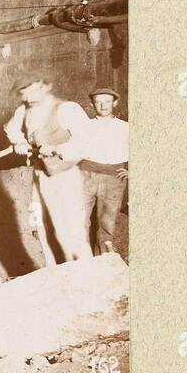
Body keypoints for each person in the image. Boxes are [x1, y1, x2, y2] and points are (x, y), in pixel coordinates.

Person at [3, 78, 92, 265]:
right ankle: (57, 275)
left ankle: (85, 274)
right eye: (24, 93)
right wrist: (19, 141)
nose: (29, 97)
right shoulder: (23, 110)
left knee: (71, 229)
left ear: (46, 87)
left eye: (33, 91)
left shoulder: (66, 108)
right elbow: (11, 128)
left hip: (65, 175)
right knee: (44, 227)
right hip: (41, 173)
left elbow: (86, 141)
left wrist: (57, 149)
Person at [79, 87, 129, 255]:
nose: (103, 105)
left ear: (115, 103)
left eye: (107, 101)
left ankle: (103, 262)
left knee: (107, 223)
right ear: (92, 105)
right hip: (86, 176)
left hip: (113, 179)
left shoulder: (125, 127)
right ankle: (82, 260)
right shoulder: (85, 126)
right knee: (80, 220)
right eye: (98, 102)